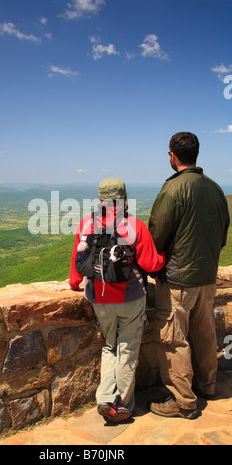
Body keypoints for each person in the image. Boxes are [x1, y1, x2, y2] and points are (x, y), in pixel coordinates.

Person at [68, 178, 166, 422]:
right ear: (124, 198)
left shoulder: (87, 223)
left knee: (109, 346)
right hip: (131, 298)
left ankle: (105, 400)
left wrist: (73, 284)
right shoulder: (134, 225)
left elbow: (78, 261)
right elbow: (151, 264)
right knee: (127, 349)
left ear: (100, 199)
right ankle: (122, 403)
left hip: (99, 298)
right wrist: (165, 257)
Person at [148, 132, 230, 419]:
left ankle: (183, 401)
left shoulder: (173, 189)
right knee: (205, 333)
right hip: (207, 277)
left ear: (173, 155)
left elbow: (156, 234)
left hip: (177, 279)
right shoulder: (216, 189)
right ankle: (208, 385)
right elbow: (222, 234)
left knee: (173, 339)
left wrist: (152, 265)